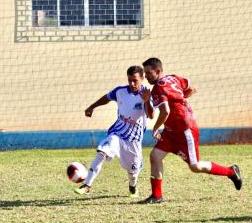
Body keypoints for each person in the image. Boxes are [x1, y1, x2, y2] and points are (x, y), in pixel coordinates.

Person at [139, 57, 242, 204]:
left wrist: (156, 128)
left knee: (195, 166)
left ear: (158, 71)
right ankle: (156, 196)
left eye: (149, 73)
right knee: (155, 156)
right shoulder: (173, 78)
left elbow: (165, 111)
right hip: (171, 130)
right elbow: (188, 88)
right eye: (145, 73)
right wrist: (185, 95)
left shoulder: (158, 89)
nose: (146, 76)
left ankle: (231, 172)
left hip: (185, 129)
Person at [74, 66, 154, 197]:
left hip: (133, 139)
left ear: (142, 79)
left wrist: (146, 101)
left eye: (135, 80)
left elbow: (151, 115)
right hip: (117, 132)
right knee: (102, 152)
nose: (132, 84)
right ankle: (87, 185)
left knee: (133, 171)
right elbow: (107, 97)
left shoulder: (146, 94)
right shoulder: (120, 91)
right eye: (129, 80)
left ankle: (132, 187)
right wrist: (92, 107)